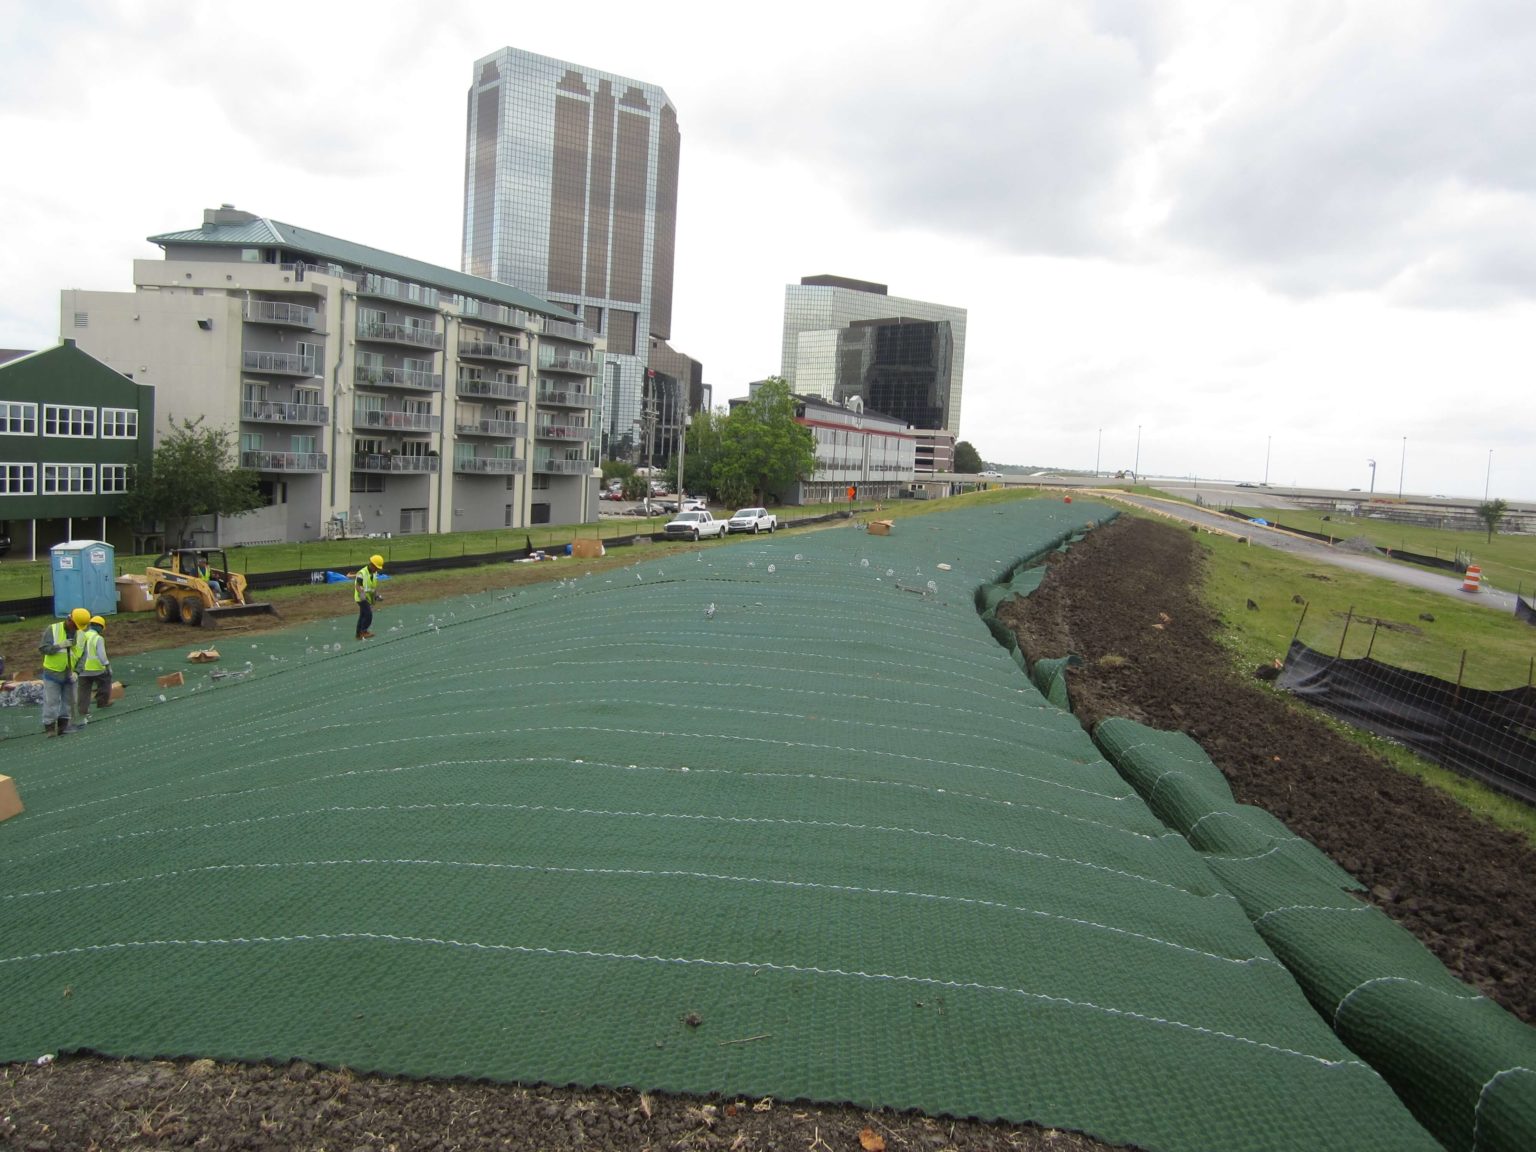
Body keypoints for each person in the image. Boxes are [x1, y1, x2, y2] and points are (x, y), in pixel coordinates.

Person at [38, 608, 86, 736]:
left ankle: (63, 726)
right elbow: (43, 649)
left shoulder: (81, 635)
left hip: (70, 675)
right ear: (69, 619)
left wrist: (77, 672)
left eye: (78, 627)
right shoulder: (53, 629)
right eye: (74, 625)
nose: (76, 628)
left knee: (70, 701)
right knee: (51, 701)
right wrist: (59, 646)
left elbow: (82, 656)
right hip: (53, 673)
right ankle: (49, 727)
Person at [75, 615, 113, 720]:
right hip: (96, 669)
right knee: (105, 682)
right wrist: (107, 666)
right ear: (100, 627)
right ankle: (102, 702)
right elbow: (102, 655)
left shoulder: (81, 636)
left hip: (81, 669)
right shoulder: (98, 638)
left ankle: (83, 709)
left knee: (83, 690)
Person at [355, 553, 384, 640]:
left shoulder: (374, 574)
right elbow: (358, 585)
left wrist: (376, 596)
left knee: (362, 615)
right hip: (361, 598)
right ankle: (363, 632)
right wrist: (361, 593)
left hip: (368, 598)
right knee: (368, 614)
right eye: (376, 567)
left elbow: (373, 587)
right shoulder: (361, 573)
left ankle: (358, 634)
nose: (377, 570)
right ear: (372, 565)